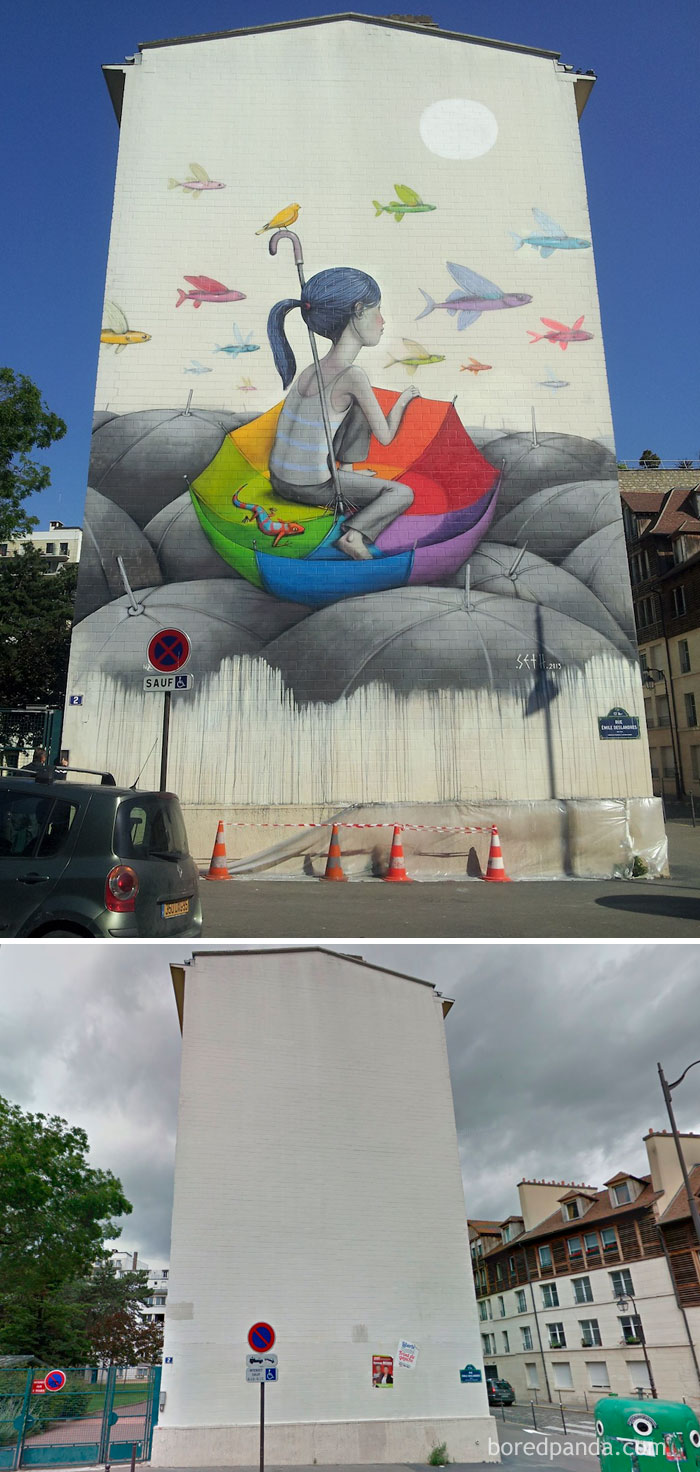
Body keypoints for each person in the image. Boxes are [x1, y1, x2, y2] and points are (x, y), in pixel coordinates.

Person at [267, 267, 418, 560]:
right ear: (358, 311)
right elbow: (385, 437)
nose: (383, 321)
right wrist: (402, 402)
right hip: (311, 488)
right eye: (378, 310)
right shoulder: (352, 375)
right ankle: (354, 536)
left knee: (356, 408)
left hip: (278, 479)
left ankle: (347, 471)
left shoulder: (312, 370)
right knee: (402, 493)